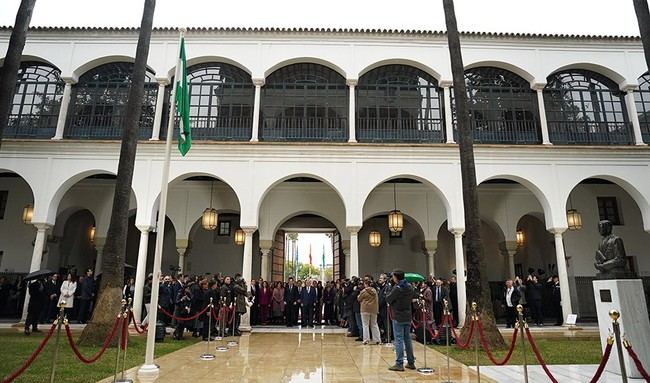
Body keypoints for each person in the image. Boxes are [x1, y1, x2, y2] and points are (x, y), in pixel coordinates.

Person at [385, 269, 416, 371]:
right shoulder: (409, 287)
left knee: (398, 340)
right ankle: (411, 362)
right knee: (407, 339)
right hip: (407, 314)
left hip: (398, 315)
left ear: (396, 277)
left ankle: (399, 363)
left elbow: (388, 299)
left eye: (393, 276)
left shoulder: (398, 288)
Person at [357, 279, 381, 345]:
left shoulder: (363, 291)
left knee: (365, 325)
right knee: (374, 324)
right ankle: (377, 339)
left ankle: (366, 340)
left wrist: (359, 296)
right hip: (374, 310)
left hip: (365, 309)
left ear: (366, 284)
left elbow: (359, 299)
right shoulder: (375, 291)